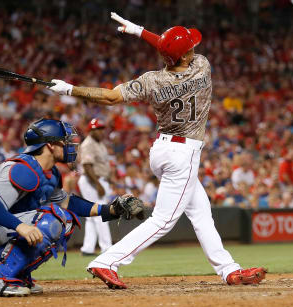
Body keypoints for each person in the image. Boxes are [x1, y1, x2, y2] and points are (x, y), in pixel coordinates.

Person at [48, 12, 266, 289]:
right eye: (190, 47)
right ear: (186, 55)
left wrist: (69, 89)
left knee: (201, 213)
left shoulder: (152, 80)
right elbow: (175, 50)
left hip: (162, 150)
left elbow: (111, 96)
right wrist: (142, 32)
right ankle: (107, 261)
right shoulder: (202, 66)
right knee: (163, 221)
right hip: (183, 154)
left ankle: (229, 270)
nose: (194, 49)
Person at [0, 118, 144, 297]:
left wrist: (111, 210)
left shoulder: (49, 173)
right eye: (64, 142)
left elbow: (68, 203)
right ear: (50, 146)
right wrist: (20, 226)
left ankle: (17, 274)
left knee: (67, 219)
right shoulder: (23, 168)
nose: (70, 146)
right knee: (54, 218)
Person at [78, 118, 113, 256]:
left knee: (92, 216)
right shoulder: (88, 144)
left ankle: (87, 248)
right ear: (91, 130)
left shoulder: (100, 144)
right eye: (98, 129)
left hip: (98, 180)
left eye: (102, 129)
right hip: (91, 181)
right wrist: (98, 184)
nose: (101, 131)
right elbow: (87, 166)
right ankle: (107, 248)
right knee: (100, 213)